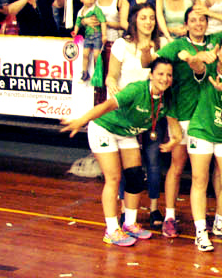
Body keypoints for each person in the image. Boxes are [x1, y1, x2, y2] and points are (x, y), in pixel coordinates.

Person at [61, 57, 181, 246]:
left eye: (169, 75)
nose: (164, 78)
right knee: (114, 178)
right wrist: (81, 121)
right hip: (104, 129)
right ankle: (111, 230)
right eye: (160, 74)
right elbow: (106, 105)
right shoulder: (136, 90)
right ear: (151, 75)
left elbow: (174, 124)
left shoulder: (167, 98)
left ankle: (129, 224)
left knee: (135, 176)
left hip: (126, 133)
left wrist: (175, 139)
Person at [150, 7, 222, 238]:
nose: (198, 24)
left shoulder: (215, 41)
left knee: (211, 170)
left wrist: (213, 12)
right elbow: (152, 64)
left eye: (202, 19)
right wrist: (171, 116)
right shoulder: (176, 46)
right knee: (177, 166)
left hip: (209, 117)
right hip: (183, 115)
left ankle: (216, 217)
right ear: (186, 25)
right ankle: (170, 216)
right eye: (193, 20)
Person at [105, 3, 169, 229]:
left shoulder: (162, 45)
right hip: (127, 113)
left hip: (153, 111)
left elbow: (157, 69)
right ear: (134, 20)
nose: (148, 22)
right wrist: (112, 85)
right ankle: (125, 208)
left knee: (153, 161)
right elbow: (111, 76)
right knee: (129, 165)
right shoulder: (121, 44)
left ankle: (153, 208)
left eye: (152, 17)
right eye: (143, 17)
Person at [184, 35, 222, 251]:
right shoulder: (208, 68)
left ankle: (220, 221)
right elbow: (196, 66)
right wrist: (197, 57)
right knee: (199, 180)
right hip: (201, 131)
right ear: (218, 51)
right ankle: (201, 231)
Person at [72, 0, 107, 82]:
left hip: (97, 35)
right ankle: (85, 73)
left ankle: (97, 74)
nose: (90, 0)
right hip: (87, 36)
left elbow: (103, 21)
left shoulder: (96, 9)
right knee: (85, 54)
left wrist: (104, 35)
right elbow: (78, 22)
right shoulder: (81, 11)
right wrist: (75, 31)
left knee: (96, 55)